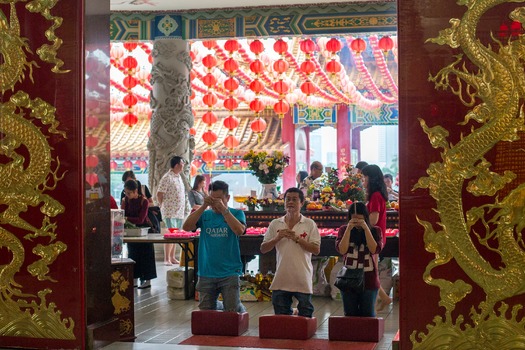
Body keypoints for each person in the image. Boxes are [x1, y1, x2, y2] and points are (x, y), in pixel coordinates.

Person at [182, 180, 246, 313]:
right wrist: (203, 206)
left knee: (232, 311)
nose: (215, 203)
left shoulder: (237, 213)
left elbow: (239, 230)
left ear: (227, 198)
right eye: (213, 199)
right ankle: (220, 307)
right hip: (207, 271)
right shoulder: (205, 215)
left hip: (229, 272)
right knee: (206, 311)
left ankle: (239, 309)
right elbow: (186, 227)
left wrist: (224, 210)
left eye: (219, 199)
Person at [260, 187, 321, 317]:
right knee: (281, 318)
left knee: (305, 315)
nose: (291, 202)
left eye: (294, 199)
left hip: (302, 278)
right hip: (281, 278)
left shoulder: (309, 224)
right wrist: (277, 238)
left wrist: (298, 239)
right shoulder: (276, 223)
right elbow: (263, 249)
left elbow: (316, 250)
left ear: (302, 203)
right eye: (288, 199)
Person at [335, 202, 382, 317]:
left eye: (360, 219)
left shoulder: (375, 230)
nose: (357, 222)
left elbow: (374, 249)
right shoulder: (343, 229)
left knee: (368, 314)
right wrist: (349, 229)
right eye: (353, 218)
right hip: (348, 278)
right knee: (350, 314)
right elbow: (342, 250)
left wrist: (366, 228)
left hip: (368, 279)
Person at [361, 164, 392, 311]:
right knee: (370, 269)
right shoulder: (378, 194)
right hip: (376, 237)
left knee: (370, 270)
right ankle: (384, 297)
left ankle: (383, 298)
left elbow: (373, 219)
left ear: (371, 178)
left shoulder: (375, 196)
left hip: (373, 239)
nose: (363, 181)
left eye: (364, 177)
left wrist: (359, 220)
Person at [122, 180, 157, 289]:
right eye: (125, 193)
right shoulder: (126, 200)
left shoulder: (144, 201)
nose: (127, 195)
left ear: (135, 191)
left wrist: (127, 218)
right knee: (132, 254)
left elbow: (141, 219)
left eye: (129, 193)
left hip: (144, 231)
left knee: (147, 255)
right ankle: (134, 279)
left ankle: (147, 280)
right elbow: (121, 214)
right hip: (131, 232)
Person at [157, 156, 190, 265]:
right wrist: (162, 206)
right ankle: (167, 258)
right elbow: (160, 194)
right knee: (170, 235)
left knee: (176, 235)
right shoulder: (167, 177)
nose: (183, 166)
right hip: (170, 212)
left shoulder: (178, 176)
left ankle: (172, 257)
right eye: (182, 164)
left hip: (178, 212)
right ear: (176, 165)